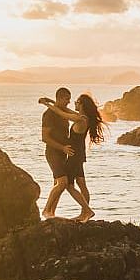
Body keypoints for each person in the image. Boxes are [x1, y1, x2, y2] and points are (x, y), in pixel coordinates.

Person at [39, 93, 106, 222]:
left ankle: (86, 211)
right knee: (81, 184)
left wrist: (47, 104)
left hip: (74, 156)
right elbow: (64, 110)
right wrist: (52, 101)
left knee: (68, 185)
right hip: (79, 154)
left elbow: (62, 113)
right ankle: (84, 214)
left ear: (81, 105)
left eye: (76, 101)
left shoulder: (80, 119)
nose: (72, 103)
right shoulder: (82, 117)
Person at [40, 87, 74, 219]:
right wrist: (62, 148)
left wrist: (48, 100)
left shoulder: (62, 111)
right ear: (60, 98)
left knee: (58, 183)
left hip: (62, 153)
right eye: (67, 99)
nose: (68, 102)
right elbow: (45, 138)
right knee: (63, 182)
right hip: (53, 152)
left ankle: (51, 213)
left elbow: (76, 114)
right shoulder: (49, 114)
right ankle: (46, 210)